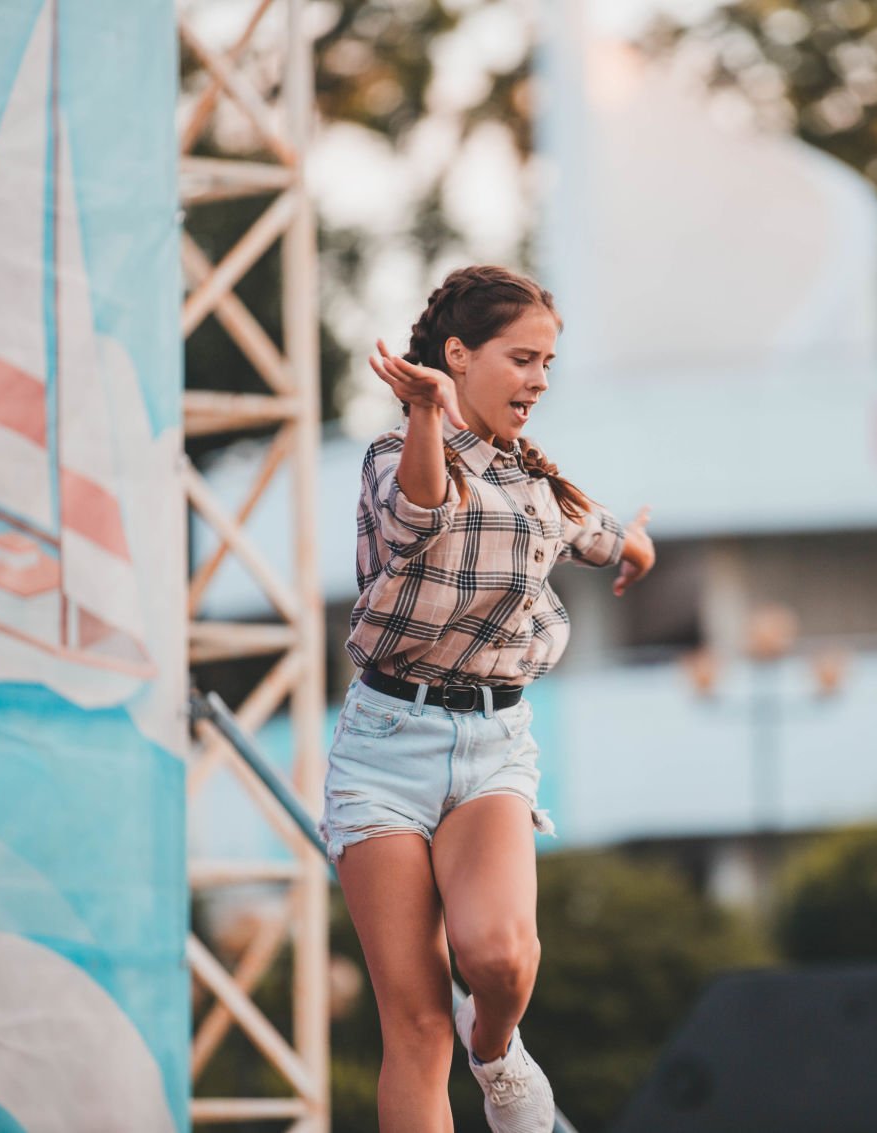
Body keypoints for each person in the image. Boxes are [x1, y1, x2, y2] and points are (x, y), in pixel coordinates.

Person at [325, 265, 655, 1133]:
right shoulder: (397, 453)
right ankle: (464, 1051)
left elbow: (598, 533)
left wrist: (636, 548)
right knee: (416, 1025)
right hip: (384, 747)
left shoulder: (537, 483)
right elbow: (421, 514)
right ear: (459, 355)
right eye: (522, 359)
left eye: (548, 363)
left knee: (500, 959)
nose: (539, 380)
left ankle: (499, 1052)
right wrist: (426, 411)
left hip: (490, 744)